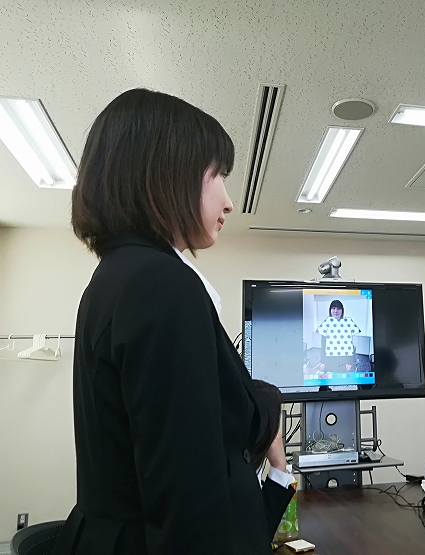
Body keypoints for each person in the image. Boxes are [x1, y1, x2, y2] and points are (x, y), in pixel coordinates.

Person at [53, 88, 294, 555]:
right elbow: (190, 506)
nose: (229, 202)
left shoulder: (119, 277)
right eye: (217, 175)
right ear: (167, 173)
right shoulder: (162, 283)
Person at [315, 300, 361, 373]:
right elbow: (323, 344)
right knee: (329, 376)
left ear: (342, 310)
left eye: (338, 308)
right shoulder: (326, 323)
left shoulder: (347, 323)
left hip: (343, 359)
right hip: (329, 359)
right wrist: (322, 362)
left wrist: (349, 361)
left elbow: (349, 345)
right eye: (333, 308)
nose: (336, 311)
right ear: (330, 310)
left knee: (341, 376)